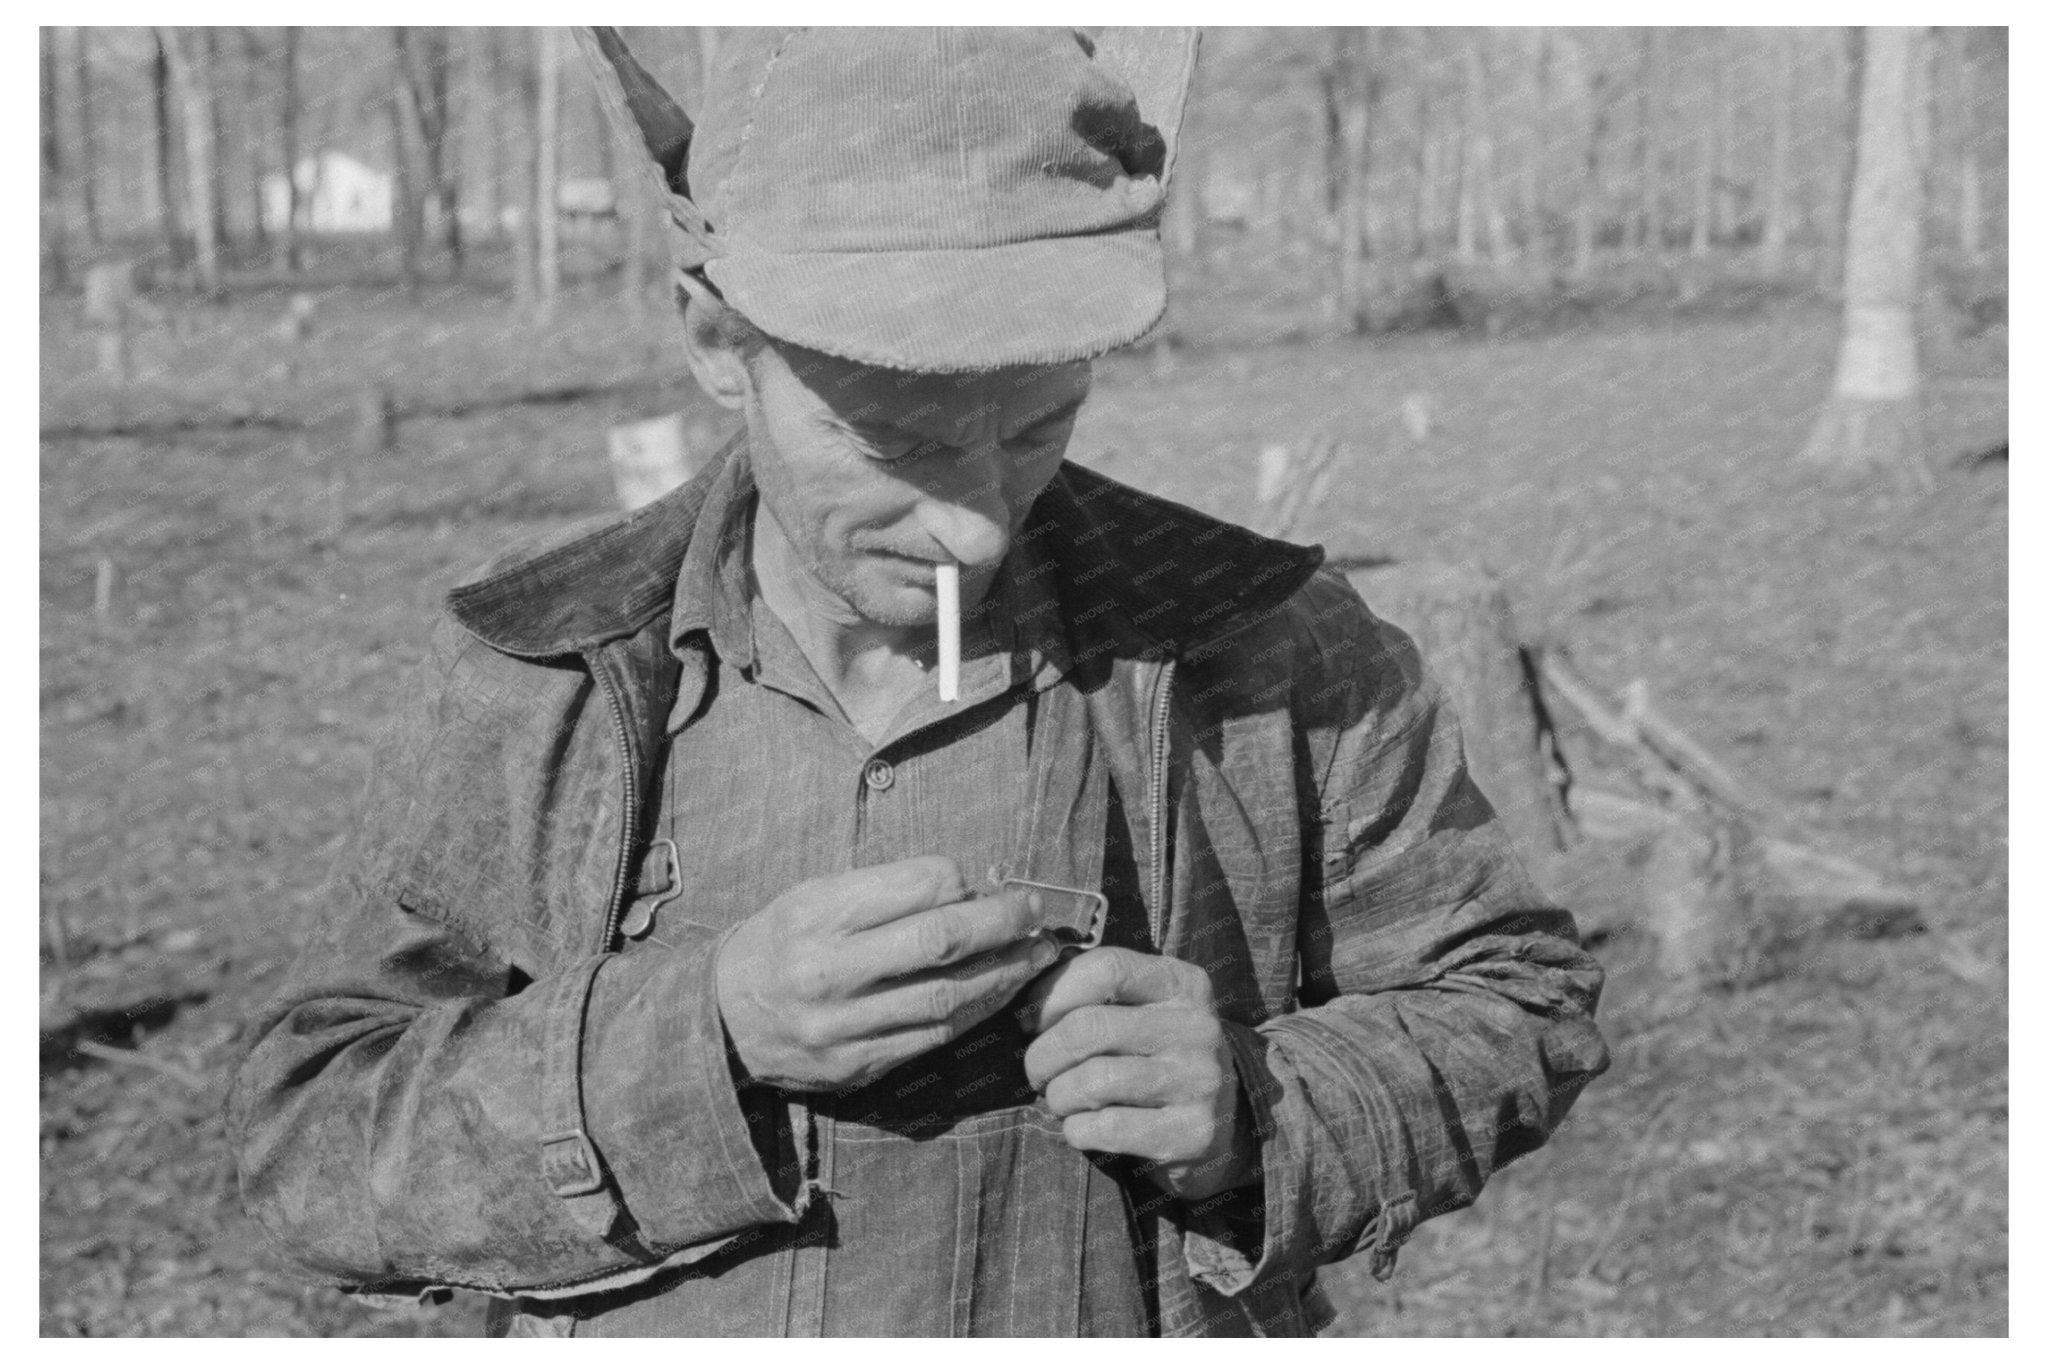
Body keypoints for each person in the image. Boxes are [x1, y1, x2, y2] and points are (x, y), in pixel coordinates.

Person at [227, 27, 1609, 1338]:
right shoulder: (547, 672)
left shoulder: (1263, 644)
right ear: (718, 345)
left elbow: (1513, 1004)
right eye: (895, 444)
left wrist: (1258, 1109)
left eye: (1036, 425)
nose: (975, 524)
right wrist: (701, 1038)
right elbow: (310, 1142)